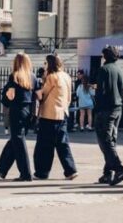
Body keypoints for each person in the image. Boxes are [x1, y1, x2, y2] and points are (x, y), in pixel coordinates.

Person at [34, 53, 77, 181]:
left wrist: (37, 90)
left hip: (49, 114)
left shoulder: (51, 77)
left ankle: (42, 172)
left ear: (50, 64)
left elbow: (43, 94)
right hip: (62, 113)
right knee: (63, 144)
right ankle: (71, 170)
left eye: (45, 63)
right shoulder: (66, 76)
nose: (44, 65)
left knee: (44, 145)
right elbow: (69, 97)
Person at [0, 52, 35, 181]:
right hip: (29, 110)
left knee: (18, 140)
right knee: (15, 140)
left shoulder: (14, 76)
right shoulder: (33, 77)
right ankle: (2, 169)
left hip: (16, 110)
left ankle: (26, 173)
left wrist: (6, 94)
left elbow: (10, 96)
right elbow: (39, 95)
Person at [93, 45, 123, 186]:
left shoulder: (103, 70)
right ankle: (107, 173)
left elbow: (101, 92)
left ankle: (119, 169)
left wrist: (97, 105)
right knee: (111, 140)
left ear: (105, 56)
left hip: (105, 109)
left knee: (105, 141)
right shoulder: (120, 70)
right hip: (117, 107)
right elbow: (121, 90)